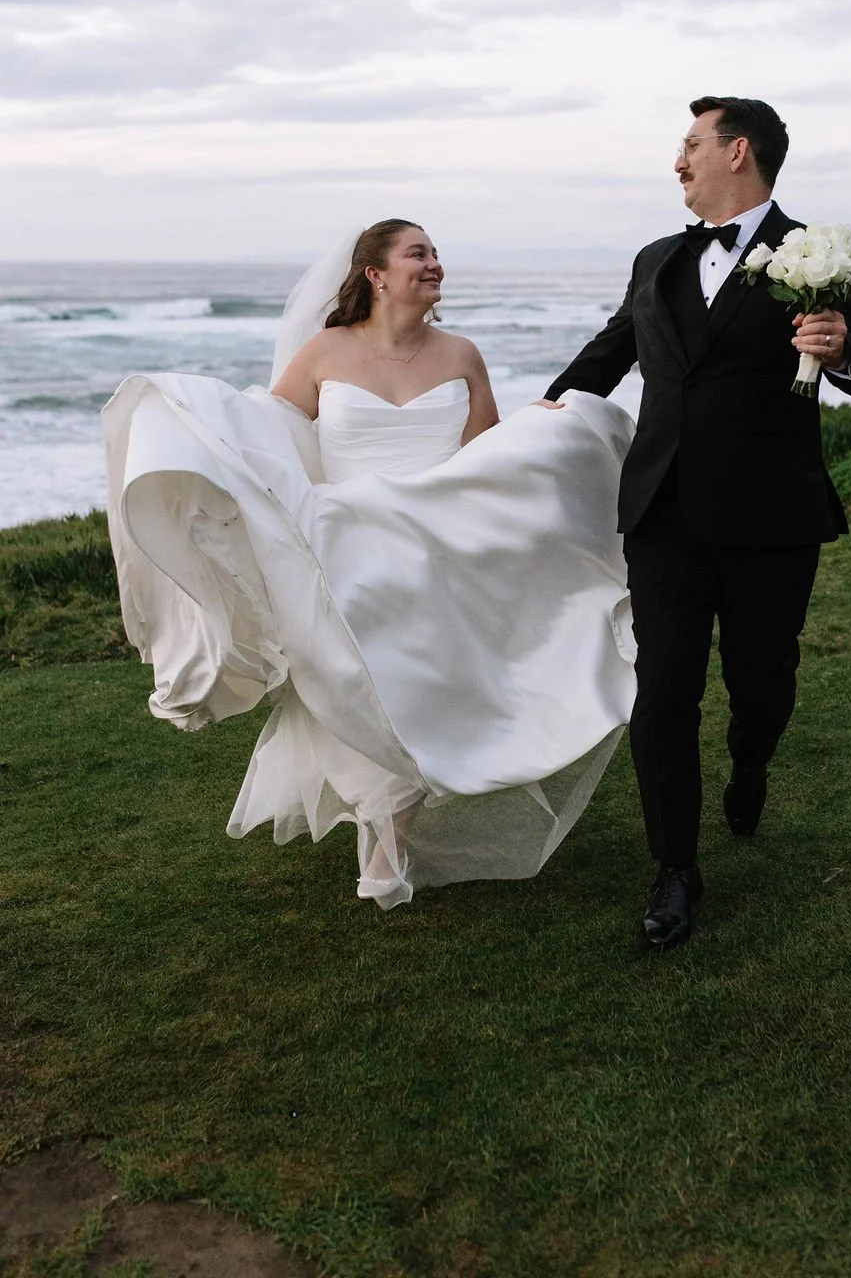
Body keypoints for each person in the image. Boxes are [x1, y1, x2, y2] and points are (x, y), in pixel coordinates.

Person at [103, 219, 637, 908]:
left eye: (437, 253)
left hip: (441, 541)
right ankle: (389, 834)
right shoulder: (325, 352)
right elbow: (274, 430)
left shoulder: (461, 355)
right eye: (418, 253)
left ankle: (393, 836)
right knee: (370, 680)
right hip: (352, 539)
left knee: (429, 683)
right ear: (375, 275)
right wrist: (202, 428)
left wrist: (546, 430)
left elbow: (486, 458)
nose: (435, 263)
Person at [541, 97, 851, 948]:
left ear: (738, 152)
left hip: (772, 514)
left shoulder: (818, 256)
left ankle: (751, 764)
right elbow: (616, 345)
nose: (678, 159)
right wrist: (547, 408)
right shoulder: (657, 257)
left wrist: (841, 345)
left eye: (691, 144)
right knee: (662, 692)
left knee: (762, 683)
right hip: (663, 512)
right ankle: (675, 868)